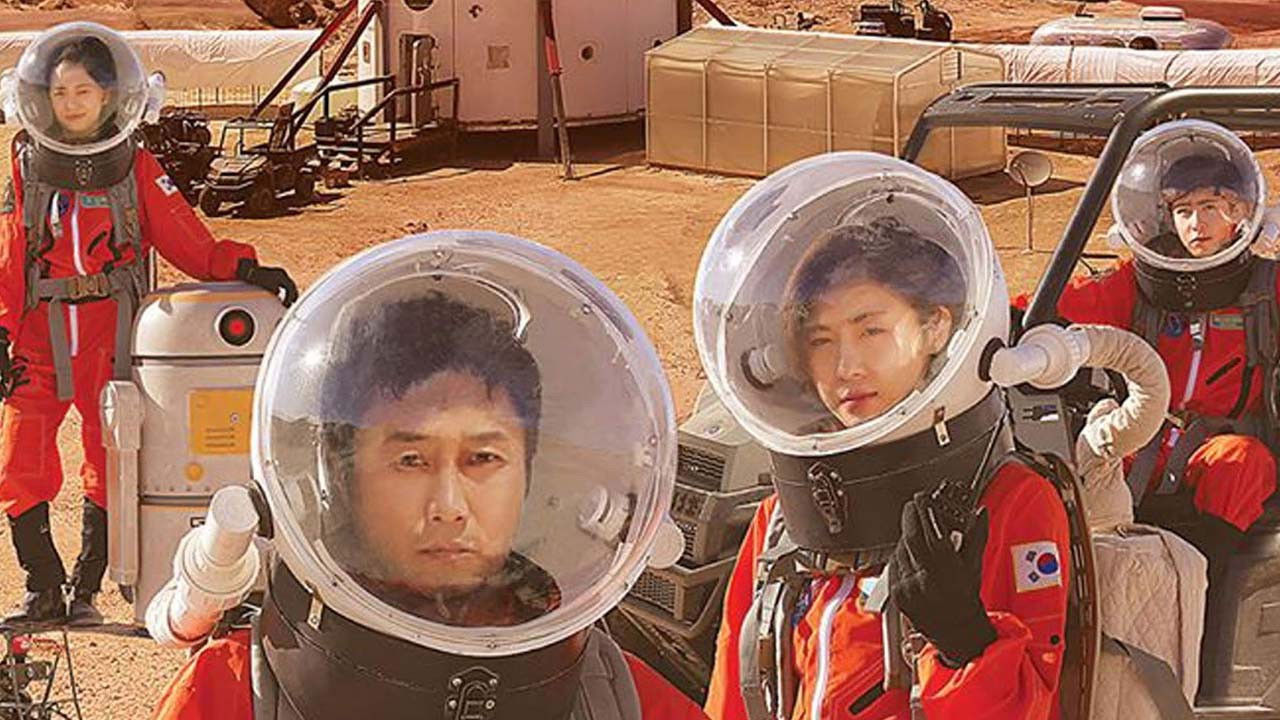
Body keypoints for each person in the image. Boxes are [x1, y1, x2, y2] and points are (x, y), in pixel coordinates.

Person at [150, 231, 707, 720]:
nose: (449, 506)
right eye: (411, 461)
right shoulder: (228, 697)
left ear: (529, 475)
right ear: (340, 478)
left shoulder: (623, 701)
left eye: (483, 458)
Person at [694, 152, 1075, 719]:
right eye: (820, 340)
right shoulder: (782, 520)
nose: (845, 366)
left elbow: (1030, 706)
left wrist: (966, 644)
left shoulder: (1012, 503)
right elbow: (731, 694)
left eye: (871, 330)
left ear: (935, 327)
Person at [0, 23, 296, 627]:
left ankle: (87, 588)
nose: (71, 104)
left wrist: (244, 267)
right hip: (40, 334)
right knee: (17, 458)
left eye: (83, 92)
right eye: (60, 93)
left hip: (112, 335)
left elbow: (186, 239)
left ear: (108, 97)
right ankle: (42, 585)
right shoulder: (28, 169)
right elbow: (8, 253)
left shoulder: (134, 167)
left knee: (112, 458)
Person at [1045, 118, 1279, 693]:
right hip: (1141, 435)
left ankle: (1204, 605)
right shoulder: (1137, 284)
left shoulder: (1265, 288)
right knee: (1067, 473)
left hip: (1222, 443)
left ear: (1239, 213)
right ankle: (1080, 626)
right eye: (1183, 211)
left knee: (1240, 463)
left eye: (1210, 208)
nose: (1196, 224)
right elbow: (1057, 307)